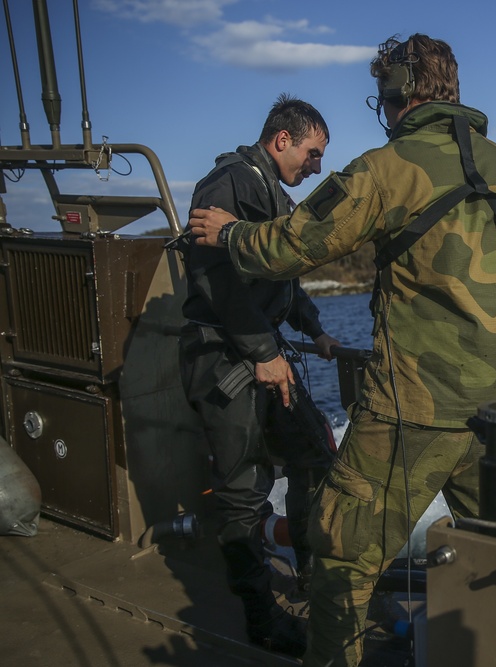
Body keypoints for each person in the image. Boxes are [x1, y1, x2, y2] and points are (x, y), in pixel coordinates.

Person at [189, 33, 496, 667]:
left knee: (342, 560)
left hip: (411, 410)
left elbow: (297, 244)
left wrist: (232, 233)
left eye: (382, 99)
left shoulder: (386, 168)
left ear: (402, 94)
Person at [178, 94, 340, 658]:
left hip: (266, 353)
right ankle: (260, 617)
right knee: (244, 494)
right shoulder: (229, 184)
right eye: (313, 154)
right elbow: (218, 283)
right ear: (282, 140)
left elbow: (280, 278)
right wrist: (261, 352)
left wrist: (315, 330)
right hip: (226, 359)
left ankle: (315, 580)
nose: (315, 166)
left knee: (315, 459)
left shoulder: (270, 194)